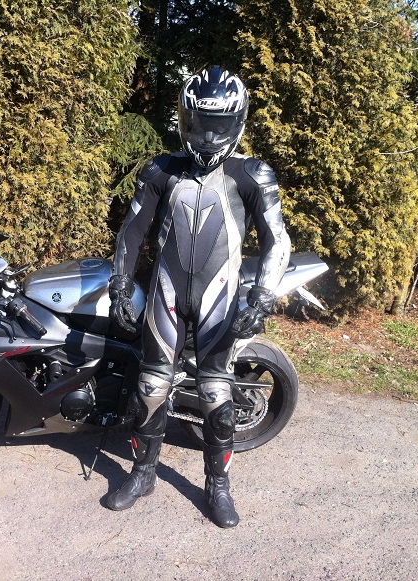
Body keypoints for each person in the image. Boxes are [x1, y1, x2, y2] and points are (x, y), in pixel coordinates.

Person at [105, 66, 290, 528]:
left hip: (219, 298)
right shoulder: (161, 170)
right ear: (184, 119)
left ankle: (218, 486)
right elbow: (132, 232)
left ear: (238, 122)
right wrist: (120, 284)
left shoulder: (252, 174)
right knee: (150, 387)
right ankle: (142, 473)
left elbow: (277, 241)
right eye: (200, 124)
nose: (208, 137)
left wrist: (262, 298)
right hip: (166, 294)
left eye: (219, 126)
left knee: (215, 394)